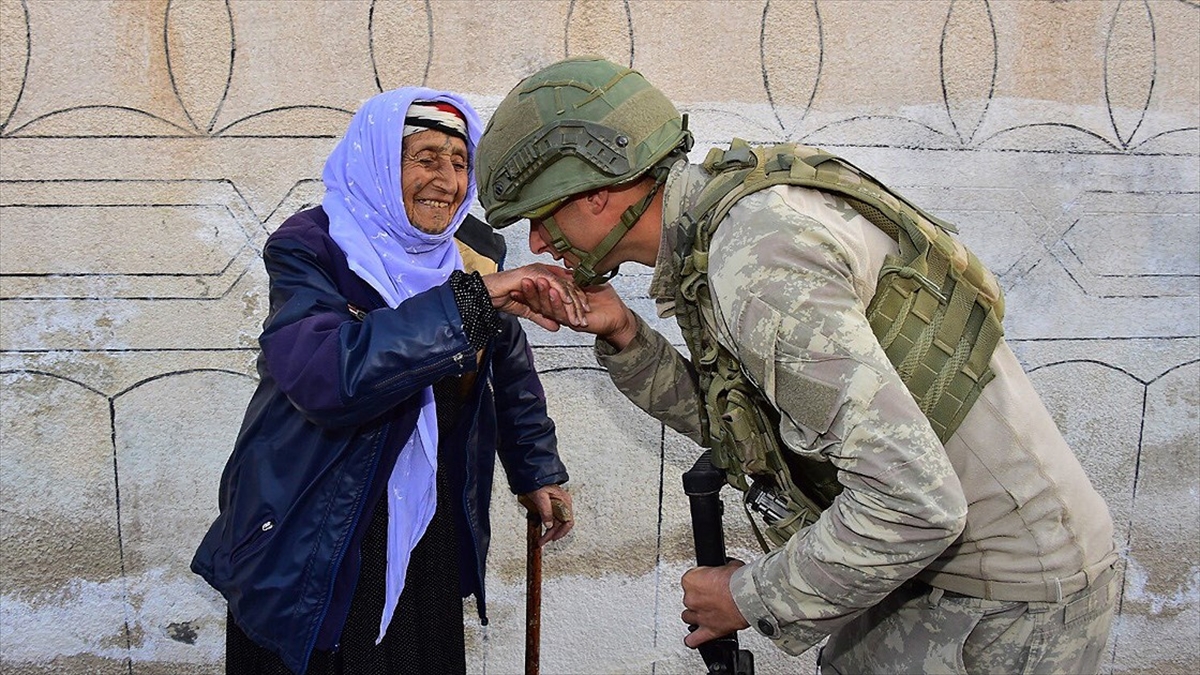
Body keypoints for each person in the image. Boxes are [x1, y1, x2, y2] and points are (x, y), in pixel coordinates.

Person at [473, 56, 1120, 674]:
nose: (535, 242)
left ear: (594, 192)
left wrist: (747, 596)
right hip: (938, 572)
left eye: (539, 213)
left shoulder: (757, 260)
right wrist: (623, 333)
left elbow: (913, 502)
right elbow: (740, 430)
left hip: (1010, 596)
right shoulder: (718, 233)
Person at [192, 86, 586, 675]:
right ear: (378, 159)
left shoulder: (470, 253)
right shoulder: (315, 247)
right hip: (318, 515)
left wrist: (536, 468)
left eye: (460, 163)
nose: (447, 182)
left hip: (425, 507)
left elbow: (507, 363)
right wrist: (469, 304)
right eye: (425, 158)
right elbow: (329, 375)